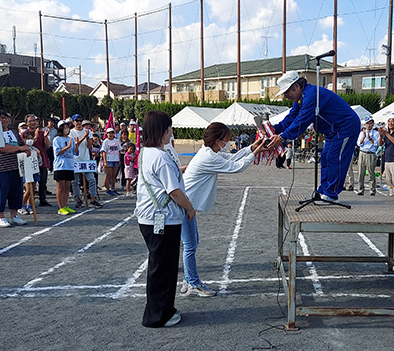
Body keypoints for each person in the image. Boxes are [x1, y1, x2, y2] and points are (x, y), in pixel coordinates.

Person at [181, 122, 265, 297]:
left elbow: (230, 159)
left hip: (186, 203)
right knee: (190, 245)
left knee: (192, 243)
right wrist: (255, 153)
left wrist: (251, 148)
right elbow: (236, 166)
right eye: (226, 140)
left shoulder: (208, 152)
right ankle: (193, 282)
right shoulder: (209, 157)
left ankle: (189, 278)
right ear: (218, 140)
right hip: (183, 205)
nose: (228, 143)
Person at [136, 110, 196, 327]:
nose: (172, 131)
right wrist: (189, 207)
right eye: (170, 127)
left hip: (150, 218)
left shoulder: (147, 152)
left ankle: (164, 309)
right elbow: (174, 191)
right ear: (163, 130)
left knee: (160, 266)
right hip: (161, 219)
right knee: (163, 269)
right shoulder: (161, 157)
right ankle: (158, 316)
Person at [268, 71, 360, 202]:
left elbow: (302, 120)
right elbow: (291, 117)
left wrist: (282, 137)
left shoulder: (311, 95)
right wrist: (274, 129)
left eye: (287, 92)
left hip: (346, 127)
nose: (285, 95)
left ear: (297, 86)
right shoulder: (302, 98)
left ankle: (331, 194)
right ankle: (324, 191)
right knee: (325, 158)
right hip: (333, 130)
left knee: (334, 157)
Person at [0, 110, 31, 228]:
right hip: (1, 167)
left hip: (16, 166)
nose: (4, 120)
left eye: (5, 117)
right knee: (0, 192)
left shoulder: (13, 132)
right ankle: (0, 217)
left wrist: (28, 149)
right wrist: (20, 148)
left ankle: (14, 216)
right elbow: (2, 148)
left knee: (16, 192)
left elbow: (22, 144)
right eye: (0, 118)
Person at [22, 114, 51, 207]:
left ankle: (43, 199)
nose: (33, 122)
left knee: (43, 181)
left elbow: (48, 146)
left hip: (41, 159)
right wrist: (35, 136)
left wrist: (45, 137)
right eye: (30, 121)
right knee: (31, 183)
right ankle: (30, 201)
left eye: (34, 120)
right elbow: (25, 145)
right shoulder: (24, 134)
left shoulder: (42, 133)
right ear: (26, 123)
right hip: (29, 160)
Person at [69, 114, 97, 207]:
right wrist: (83, 137)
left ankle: (93, 198)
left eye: (80, 120)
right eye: (77, 121)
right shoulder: (71, 132)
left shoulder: (87, 131)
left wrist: (88, 137)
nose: (79, 122)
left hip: (86, 158)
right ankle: (78, 199)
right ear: (73, 122)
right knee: (75, 181)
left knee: (91, 179)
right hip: (76, 159)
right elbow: (74, 145)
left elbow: (89, 146)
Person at [53, 119, 76, 215]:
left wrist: (76, 145)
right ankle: (60, 207)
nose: (67, 129)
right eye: (65, 127)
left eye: (67, 127)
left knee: (67, 187)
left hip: (69, 165)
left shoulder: (71, 139)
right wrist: (67, 147)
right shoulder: (57, 139)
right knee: (61, 187)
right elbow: (57, 152)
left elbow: (75, 152)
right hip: (60, 166)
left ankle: (65, 205)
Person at [356, 116, 380, 196]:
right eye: (367, 124)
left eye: (370, 123)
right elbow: (359, 144)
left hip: (370, 153)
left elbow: (376, 144)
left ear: (373, 124)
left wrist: (369, 138)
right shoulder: (361, 133)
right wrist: (364, 136)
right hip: (362, 153)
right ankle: (360, 189)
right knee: (360, 173)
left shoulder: (376, 133)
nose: (369, 125)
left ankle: (372, 190)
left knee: (370, 173)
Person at [101, 127, 122, 196]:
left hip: (115, 159)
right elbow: (104, 151)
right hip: (109, 160)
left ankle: (113, 188)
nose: (110, 134)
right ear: (107, 134)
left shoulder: (116, 141)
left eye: (112, 133)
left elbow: (119, 151)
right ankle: (107, 189)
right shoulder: (106, 141)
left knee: (114, 176)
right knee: (108, 175)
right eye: (109, 133)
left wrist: (119, 160)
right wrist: (105, 161)